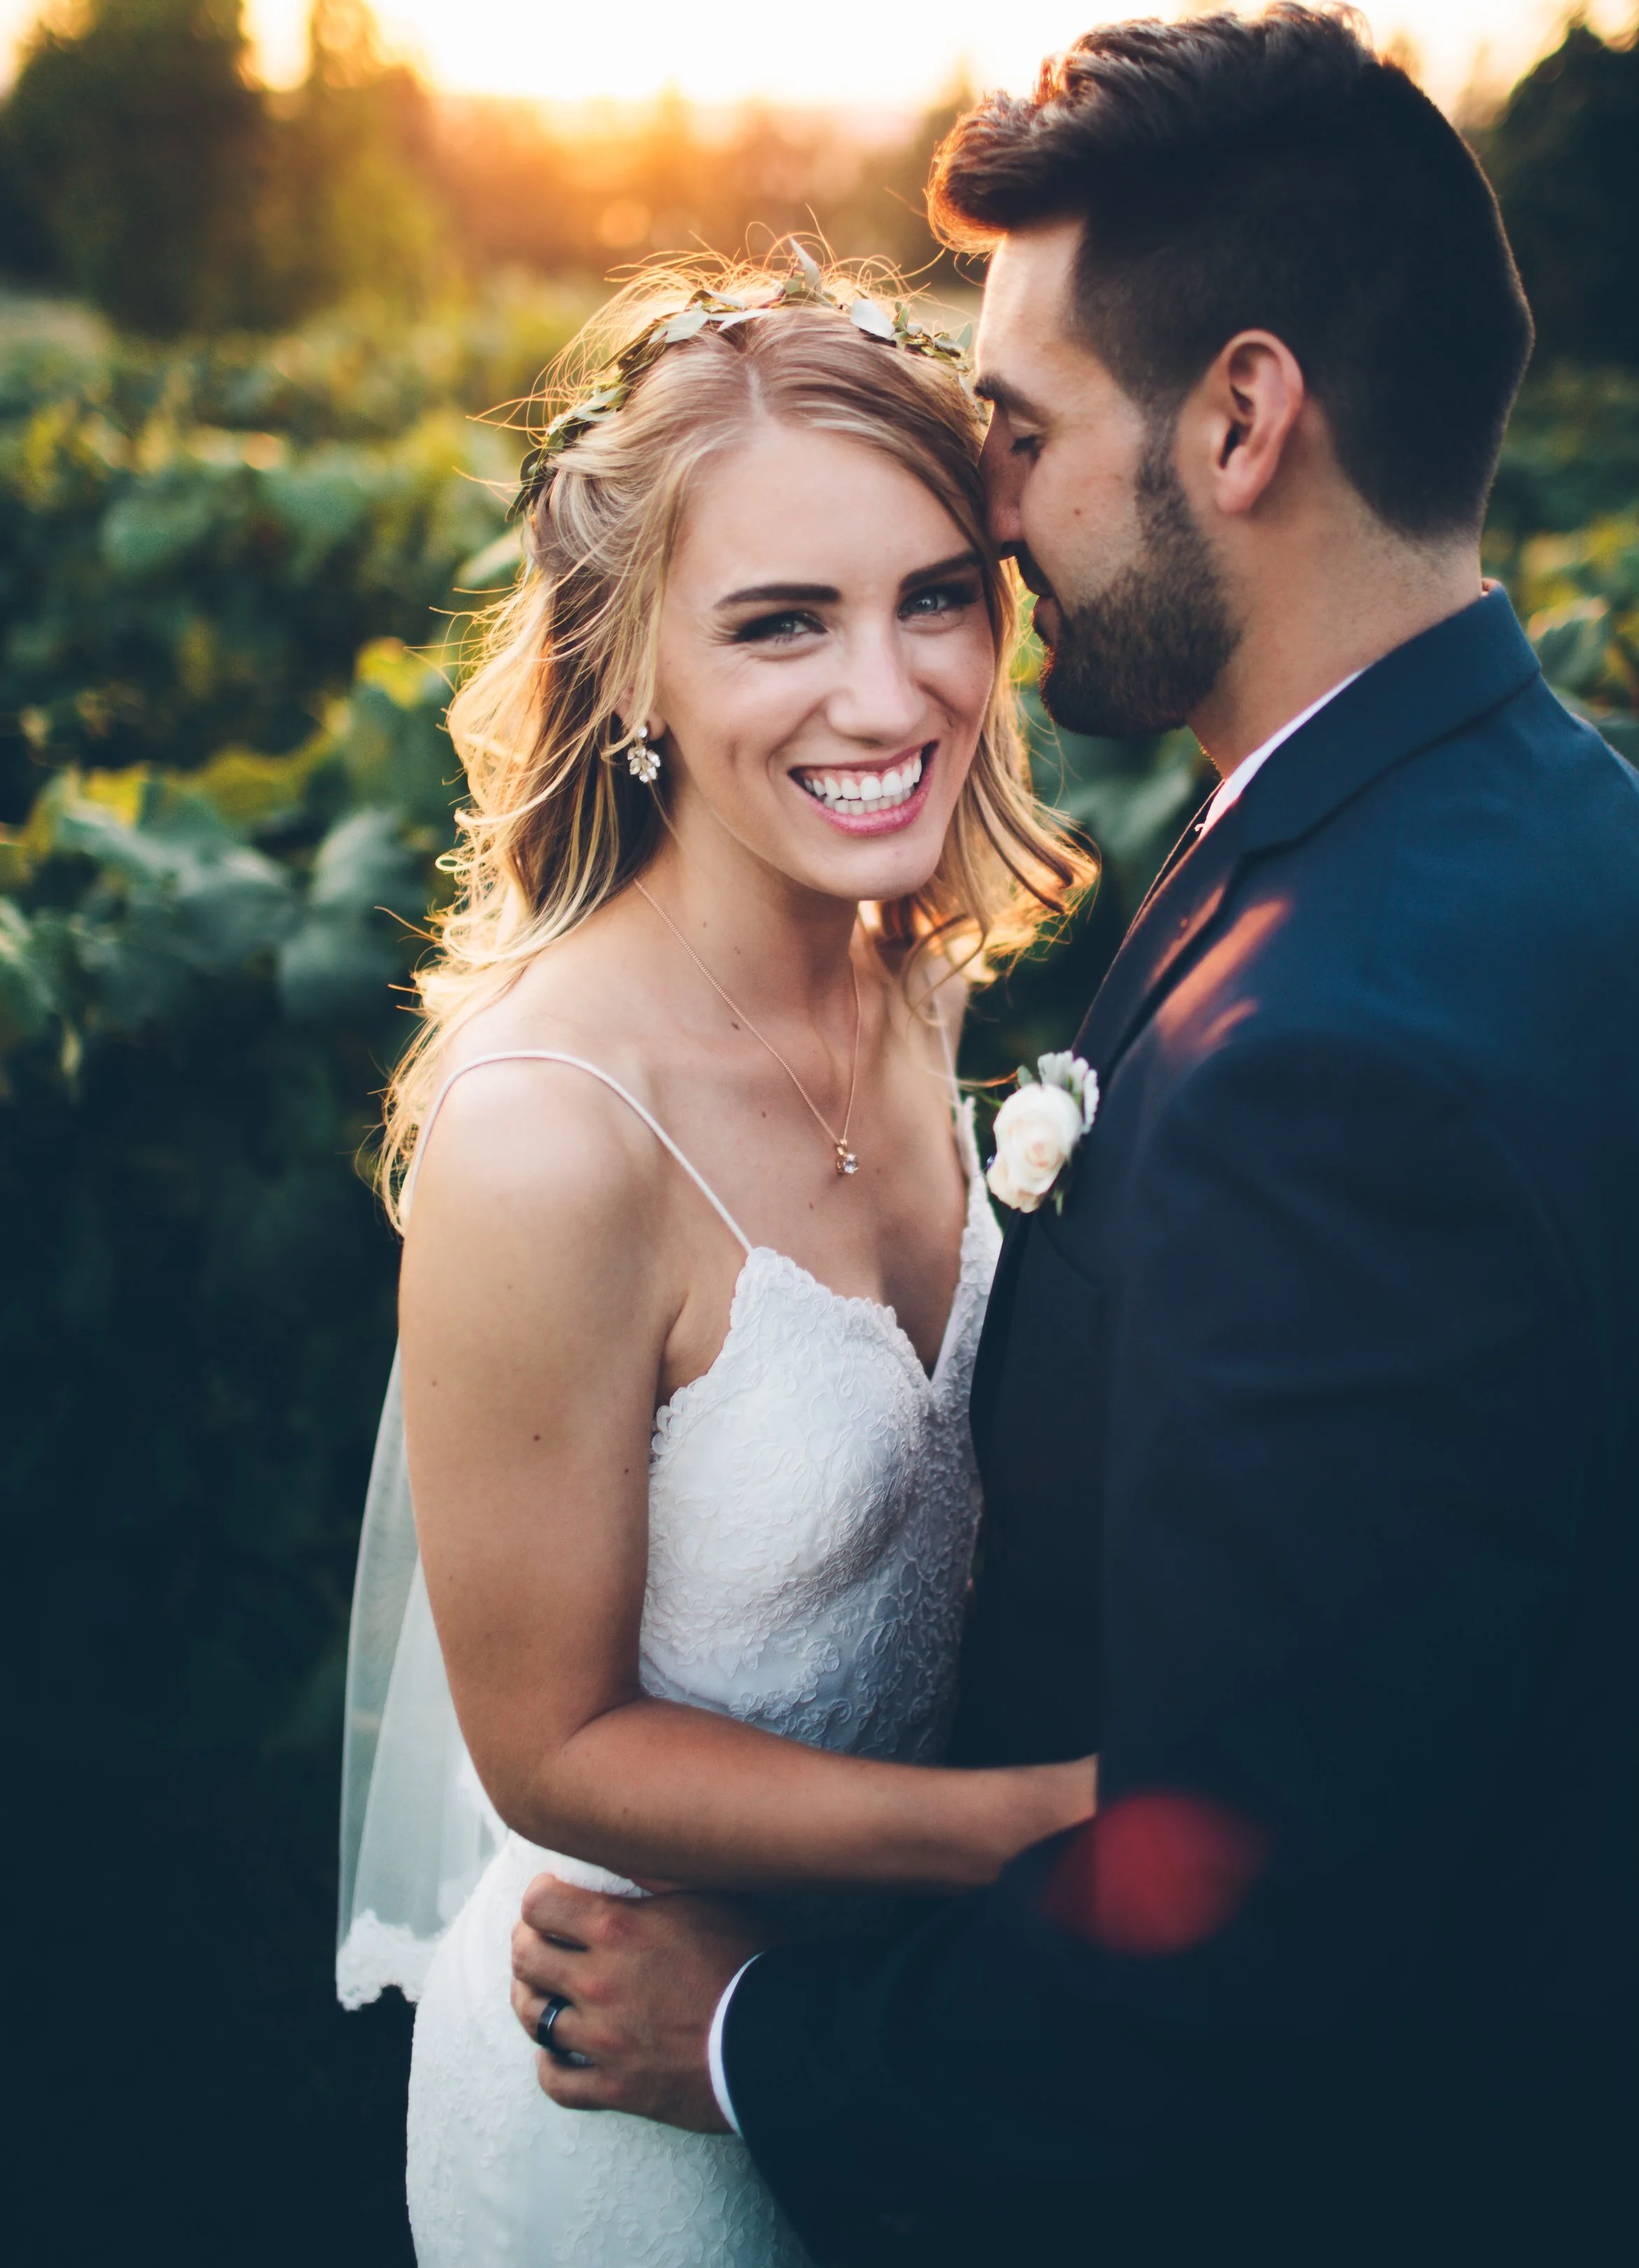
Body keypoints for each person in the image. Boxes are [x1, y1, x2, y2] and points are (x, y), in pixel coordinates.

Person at [509, 10, 1639, 2267]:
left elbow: (1250, 1955)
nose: (983, 513)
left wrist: (749, 2038)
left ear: (1243, 419)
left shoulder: (1342, 1055)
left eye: (1019, 428)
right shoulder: (1559, 819)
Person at [334, 252, 1097, 2267]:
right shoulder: (552, 1133)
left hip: (885, 2045)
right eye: (780, 623)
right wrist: (1030, 1829)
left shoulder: (917, 991)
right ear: (629, 671)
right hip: (632, 2100)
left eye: (937, 593)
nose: (891, 689)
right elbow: (550, 1741)